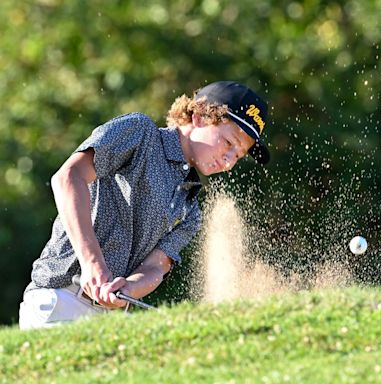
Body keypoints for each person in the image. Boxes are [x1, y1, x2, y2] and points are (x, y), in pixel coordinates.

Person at [19, 81, 270, 329]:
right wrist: (92, 264)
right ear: (200, 117)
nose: (229, 163)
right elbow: (67, 178)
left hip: (111, 321)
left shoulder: (190, 205)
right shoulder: (140, 134)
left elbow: (155, 267)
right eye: (228, 143)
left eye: (238, 155)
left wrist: (129, 288)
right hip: (61, 300)